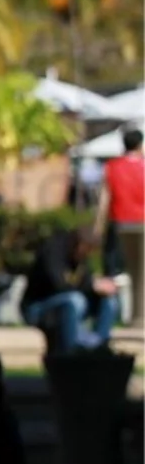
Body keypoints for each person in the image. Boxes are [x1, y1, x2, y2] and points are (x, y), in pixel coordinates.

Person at [21, 226, 121, 353]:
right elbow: (59, 285)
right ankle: (70, 352)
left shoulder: (81, 258)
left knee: (109, 301)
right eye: (88, 250)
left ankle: (99, 347)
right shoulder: (53, 251)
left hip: (69, 305)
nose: (88, 255)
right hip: (37, 307)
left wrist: (102, 287)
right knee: (75, 300)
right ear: (79, 244)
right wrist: (92, 285)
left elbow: (85, 281)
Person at [99, 128, 143, 326]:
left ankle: (112, 314)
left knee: (114, 271)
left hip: (119, 223)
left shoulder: (112, 166)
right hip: (142, 223)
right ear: (140, 145)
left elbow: (104, 200)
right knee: (141, 272)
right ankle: (139, 316)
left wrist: (98, 228)